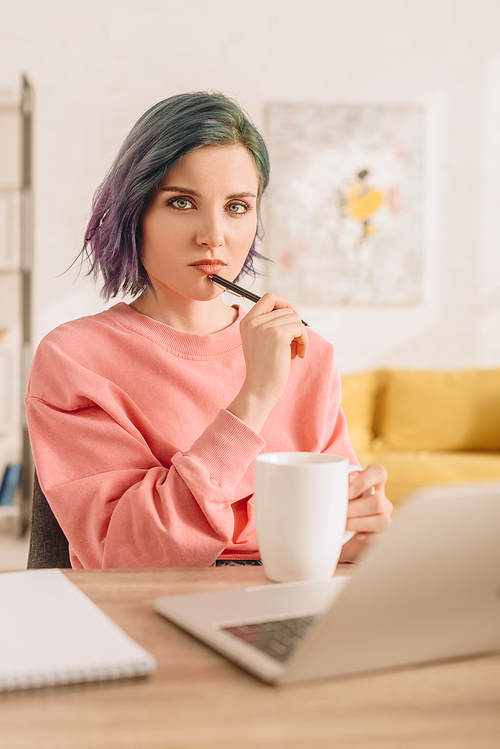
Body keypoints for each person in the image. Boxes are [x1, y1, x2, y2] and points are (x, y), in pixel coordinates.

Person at [26, 92, 392, 569]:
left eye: (237, 207)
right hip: (147, 616)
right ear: (134, 213)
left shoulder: (308, 353)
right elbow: (129, 554)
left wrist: (359, 531)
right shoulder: (74, 359)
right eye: (182, 202)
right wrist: (255, 396)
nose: (214, 235)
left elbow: (332, 535)